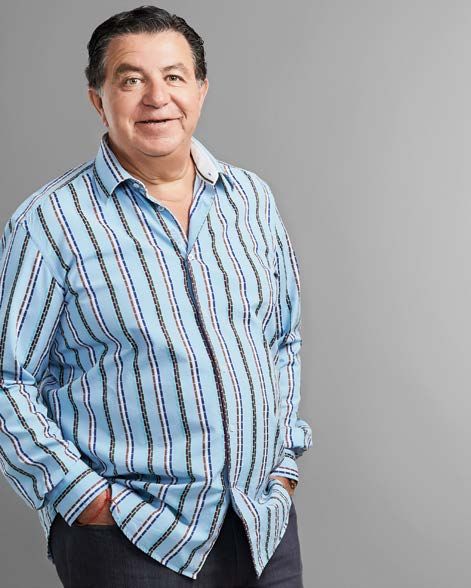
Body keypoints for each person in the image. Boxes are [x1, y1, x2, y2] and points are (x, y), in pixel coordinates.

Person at [0, 5, 313, 587]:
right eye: (131, 79)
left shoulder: (252, 200)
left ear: (201, 89)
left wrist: (284, 466)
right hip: (130, 539)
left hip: (261, 526)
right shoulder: (48, 222)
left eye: (173, 76)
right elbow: (8, 381)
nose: (156, 98)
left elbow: (282, 340)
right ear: (98, 99)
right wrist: (85, 499)